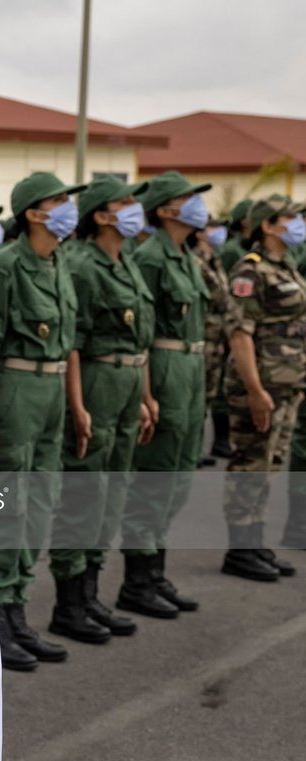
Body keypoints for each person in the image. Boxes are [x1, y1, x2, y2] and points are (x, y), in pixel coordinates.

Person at [0, 171, 84, 671]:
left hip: (52, 389)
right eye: (59, 201)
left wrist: (76, 405)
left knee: (41, 500)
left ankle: (18, 609)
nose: (68, 209)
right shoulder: (5, 267)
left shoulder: (59, 262)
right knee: (9, 505)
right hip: (17, 389)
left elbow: (69, 344)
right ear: (34, 212)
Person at [46, 176, 154, 645]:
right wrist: (78, 404)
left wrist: (146, 396)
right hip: (96, 382)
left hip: (129, 384)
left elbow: (141, 341)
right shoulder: (83, 266)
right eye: (125, 202)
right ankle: (69, 603)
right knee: (86, 492)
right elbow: (73, 343)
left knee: (113, 490)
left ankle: (91, 594)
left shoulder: (127, 261)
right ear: (103, 215)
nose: (135, 209)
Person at [117, 171, 212, 619]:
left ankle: (156, 571)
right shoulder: (152, 256)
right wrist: (147, 391)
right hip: (167, 366)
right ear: (167, 208)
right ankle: (138, 579)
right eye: (188, 198)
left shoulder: (184, 254)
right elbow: (144, 335)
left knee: (180, 473)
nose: (197, 205)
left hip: (193, 368)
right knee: (156, 475)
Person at [220, 197, 306, 581]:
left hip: (286, 385)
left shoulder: (285, 265)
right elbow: (240, 333)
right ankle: (240, 548)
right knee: (249, 466)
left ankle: (255, 541)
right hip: (260, 386)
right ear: (268, 226)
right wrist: (254, 390)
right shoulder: (250, 271)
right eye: (290, 218)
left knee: (269, 465)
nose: (298, 223)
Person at [198, 216, 232, 464]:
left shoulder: (214, 261)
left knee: (207, 395)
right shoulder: (195, 262)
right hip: (202, 337)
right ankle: (192, 450)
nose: (218, 231)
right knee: (197, 396)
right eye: (213, 226)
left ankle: (195, 449)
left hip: (216, 338)